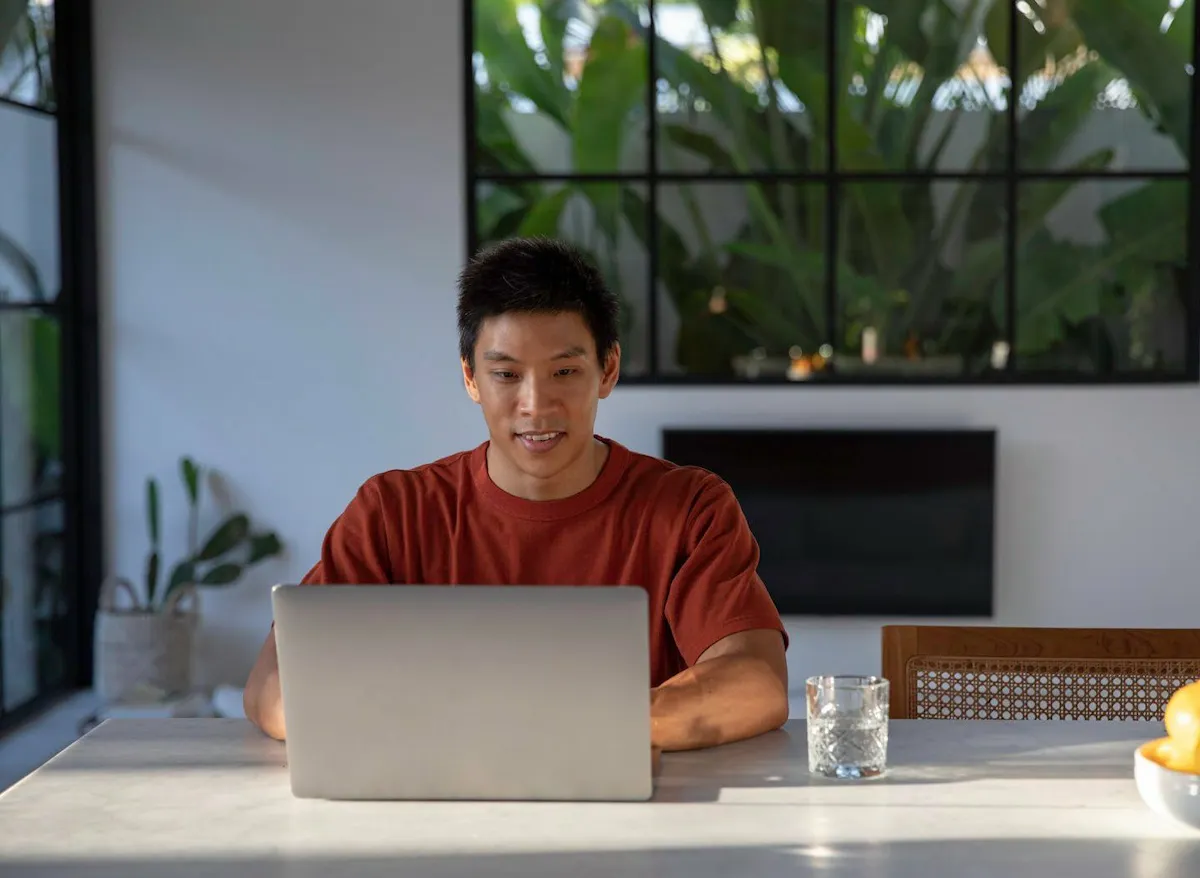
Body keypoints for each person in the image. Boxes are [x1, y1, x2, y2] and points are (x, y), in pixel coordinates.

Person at [243, 237, 790, 759]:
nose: (535, 404)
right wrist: (445, 734)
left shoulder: (690, 506)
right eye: (506, 374)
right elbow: (274, 683)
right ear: (471, 378)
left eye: (565, 372)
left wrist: (564, 730)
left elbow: (756, 683)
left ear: (608, 369)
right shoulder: (393, 511)